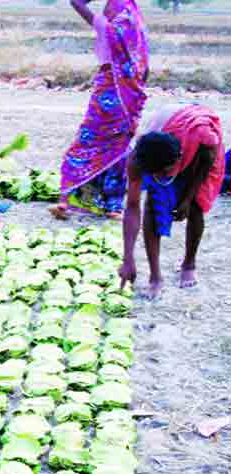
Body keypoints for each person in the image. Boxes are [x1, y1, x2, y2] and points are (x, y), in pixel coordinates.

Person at [50, 0, 149, 220]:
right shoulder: (139, 36)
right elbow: (146, 73)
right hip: (130, 98)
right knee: (119, 148)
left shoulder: (107, 28)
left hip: (107, 96)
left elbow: (76, 1)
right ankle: (113, 206)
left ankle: (66, 200)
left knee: (84, 143)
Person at [119, 104, 225, 299]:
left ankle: (189, 263)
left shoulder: (201, 138)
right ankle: (155, 277)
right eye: (155, 173)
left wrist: (187, 198)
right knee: (152, 205)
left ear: (179, 159)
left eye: (165, 172)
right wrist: (128, 258)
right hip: (166, 137)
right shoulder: (138, 159)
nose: (162, 177)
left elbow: (207, 160)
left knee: (195, 208)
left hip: (197, 147)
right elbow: (132, 207)